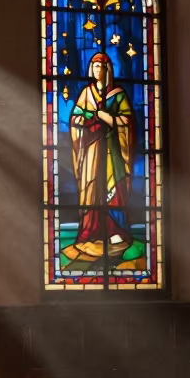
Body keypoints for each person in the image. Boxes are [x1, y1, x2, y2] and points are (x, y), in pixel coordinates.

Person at [65, 51, 133, 262]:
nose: (96, 70)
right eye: (93, 67)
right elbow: (75, 117)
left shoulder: (118, 94)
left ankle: (115, 231)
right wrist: (86, 117)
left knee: (111, 191)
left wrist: (109, 118)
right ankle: (90, 232)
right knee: (91, 190)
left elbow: (128, 121)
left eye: (100, 67)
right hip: (91, 150)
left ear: (108, 70)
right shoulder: (87, 93)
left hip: (111, 151)